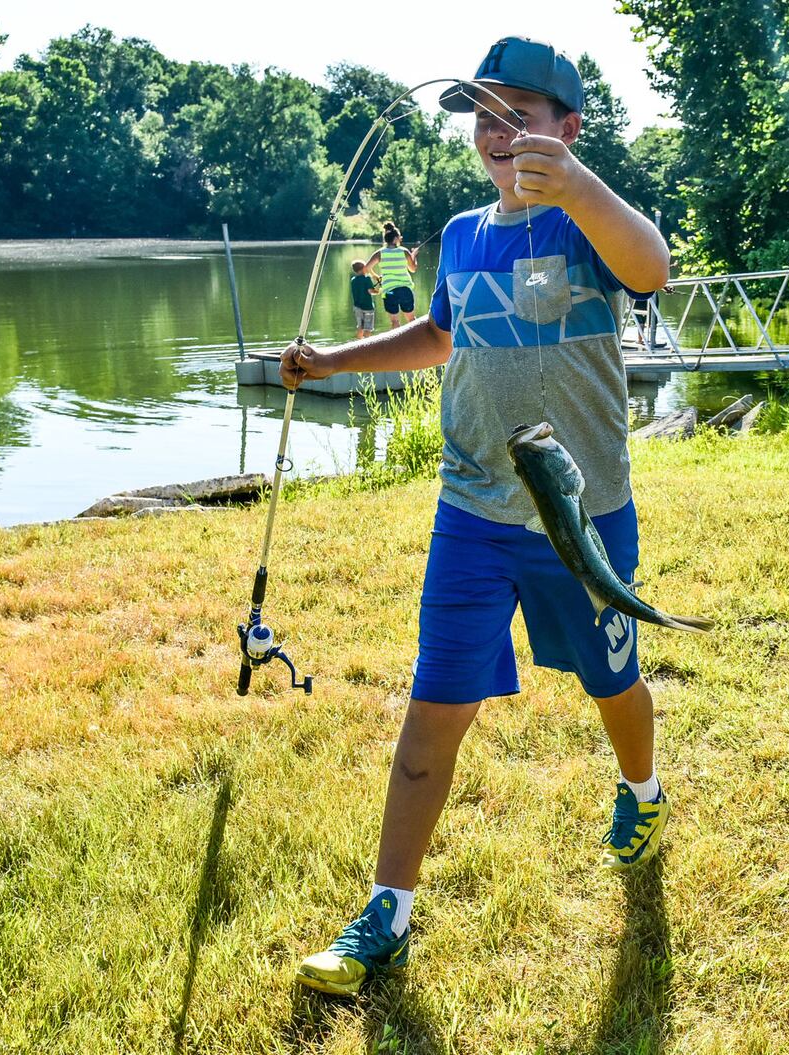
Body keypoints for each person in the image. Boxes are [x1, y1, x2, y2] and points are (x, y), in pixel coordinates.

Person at [279, 36, 673, 995]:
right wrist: (333, 360)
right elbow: (442, 334)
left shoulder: (589, 221)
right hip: (471, 512)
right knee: (433, 708)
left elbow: (652, 268)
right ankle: (388, 912)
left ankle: (642, 789)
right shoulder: (461, 234)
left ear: (570, 129)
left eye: (522, 117)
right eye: (483, 116)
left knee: (611, 682)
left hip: (582, 517)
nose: (499, 133)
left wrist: (576, 186)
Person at [366, 221, 418, 329]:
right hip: (405, 290)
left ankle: (397, 345)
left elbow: (366, 268)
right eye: (399, 237)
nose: (401, 238)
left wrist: (375, 276)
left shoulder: (380, 253)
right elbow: (413, 269)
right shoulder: (404, 251)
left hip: (389, 292)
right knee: (412, 321)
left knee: (394, 322)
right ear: (395, 238)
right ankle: (416, 344)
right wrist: (413, 256)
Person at [349, 260, 378, 339]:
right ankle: (366, 345)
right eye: (366, 267)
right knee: (367, 328)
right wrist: (378, 291)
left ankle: (358, 343)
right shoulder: (367, 278)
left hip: (357, 307)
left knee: (360, 326)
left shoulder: (353, 280)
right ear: (363, 269)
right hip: (367, 307)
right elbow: (370, 291)